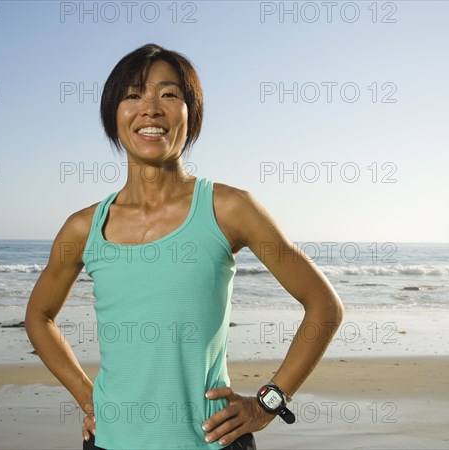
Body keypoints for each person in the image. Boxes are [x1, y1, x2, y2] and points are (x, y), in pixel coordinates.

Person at [25, 43, 344, 450]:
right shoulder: (83, 227)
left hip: (212, 442)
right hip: (110, 442)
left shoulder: (230, 208)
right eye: (133, 95)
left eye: (169, 94)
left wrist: (267, 403)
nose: (151, 109)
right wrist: (88, 396)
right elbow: (39, 316)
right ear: (113, 114)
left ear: (191, 116)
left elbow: (324, 306)